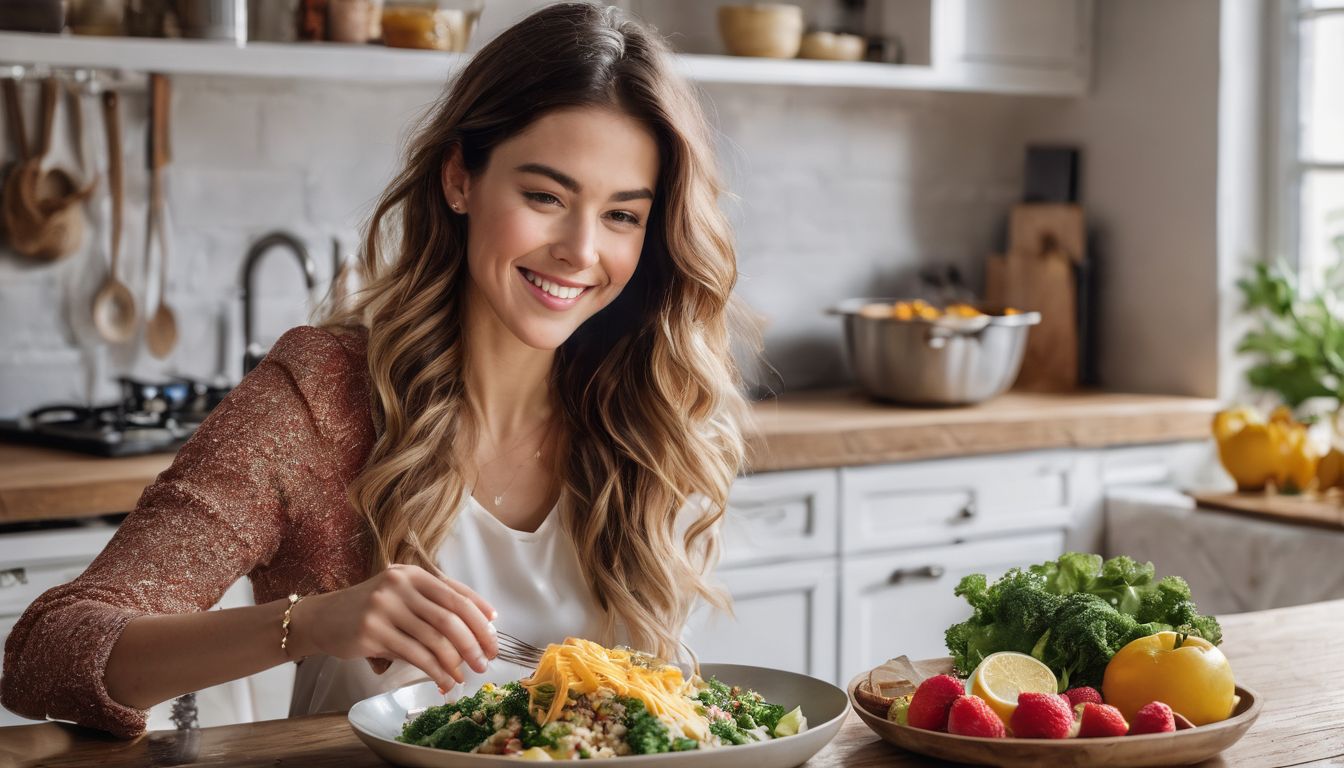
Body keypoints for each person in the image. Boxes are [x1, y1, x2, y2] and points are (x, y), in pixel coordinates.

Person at [0, 2, 750, 737]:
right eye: (544, 196)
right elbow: (45, 654)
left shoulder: (654, 412)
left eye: (622, 214)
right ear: (460, 179)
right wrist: (311, 622)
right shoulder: (322, 397)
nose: (581, 251)